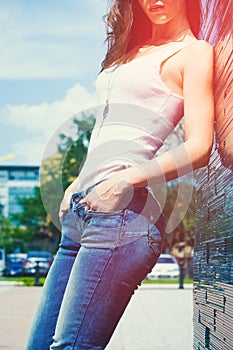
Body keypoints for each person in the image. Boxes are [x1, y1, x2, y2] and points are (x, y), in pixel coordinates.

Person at [27, 0, 214, 349]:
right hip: (82, 212)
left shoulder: (194, 52)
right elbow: (107, 129)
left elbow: (200, 147)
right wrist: (77, 182)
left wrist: (127, 179)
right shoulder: (131, 50)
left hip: (125, 216)